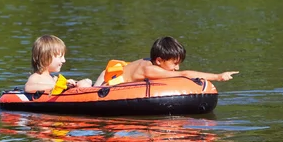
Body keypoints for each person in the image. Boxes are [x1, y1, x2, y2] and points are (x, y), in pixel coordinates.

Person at [93, 36, 238, 86]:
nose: (176, 68)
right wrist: (218, 76)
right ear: (159, 60)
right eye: (174, 64)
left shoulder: (148, 61)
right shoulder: (150, 69)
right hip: (108, 83)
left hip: (107, 74)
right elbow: (186, 74)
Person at [25, 35, 92, 93]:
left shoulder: (53, 78)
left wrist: (70, 83)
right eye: (60, 57)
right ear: (45, 58)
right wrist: (54, 86)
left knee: (85, 82)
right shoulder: (36, 77)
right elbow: (28, 88)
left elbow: (61, 85)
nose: (64, 60)